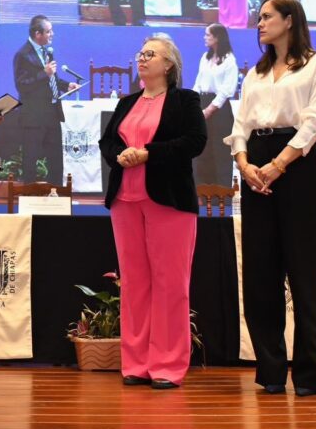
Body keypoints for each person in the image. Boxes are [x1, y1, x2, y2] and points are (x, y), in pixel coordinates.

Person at [225, 0, 316, 397]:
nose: (259, 23)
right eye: (258, 18)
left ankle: (308, 374)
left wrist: (278, 165)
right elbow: (240, 124)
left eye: (267, 16)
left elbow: (315, 122)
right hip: (255, 168)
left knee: (304, 273)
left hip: (297, 168)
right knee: (259, 274)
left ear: (289, 21)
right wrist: (244, 163)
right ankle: (270, 371)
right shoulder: (255, 73)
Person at [99, 35, 207, 389]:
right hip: (125, 200)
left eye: (150, 54)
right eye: (140, 52)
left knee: (170, 283)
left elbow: (195, 141)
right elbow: (108, 141)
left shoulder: (184, 100)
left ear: (169, 64)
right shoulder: (127, 101)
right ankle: (136, 362)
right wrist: (120, 154)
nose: (142, 59)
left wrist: (148, 153)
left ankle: (167, 364)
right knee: (134, 284)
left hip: (169, 199)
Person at [13, 15, 78, 184]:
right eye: (49, 31)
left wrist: (66, 86)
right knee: (30, 160)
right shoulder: (22, 54)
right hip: (34, 117)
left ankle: (56, 195)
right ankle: (29, 198)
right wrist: (44, 73)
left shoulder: (47, 51)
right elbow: (22, 85)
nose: (52, 34)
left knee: (56, 158)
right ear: (37, 33)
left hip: (52, 114)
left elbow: (52, 80)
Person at [191, 23, 238, 186]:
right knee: (201, 148)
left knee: (219, 149)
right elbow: (198, 83)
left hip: (220, 108)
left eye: (208, 35)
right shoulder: (205, 57)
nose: (205, 38)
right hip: (202, 102)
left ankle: (223, 193)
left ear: (217, 37)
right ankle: (201, 191)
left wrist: (210, 109)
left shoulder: (229, 60)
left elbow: (226, 90)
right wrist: (192, 102)